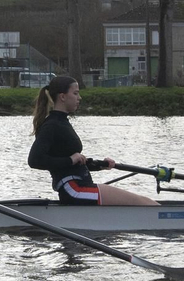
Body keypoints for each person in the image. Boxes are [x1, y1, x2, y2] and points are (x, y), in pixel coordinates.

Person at [28, 75, 156, 205]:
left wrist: (101, 165)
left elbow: (71, 162)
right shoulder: (51, 125)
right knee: (141, 203)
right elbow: (34, 160)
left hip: (79, 186)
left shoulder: (62, 122)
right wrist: (70, 159)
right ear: (63, 97)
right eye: (75, 93)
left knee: (145, 201)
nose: (79, 98)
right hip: (74, 190)